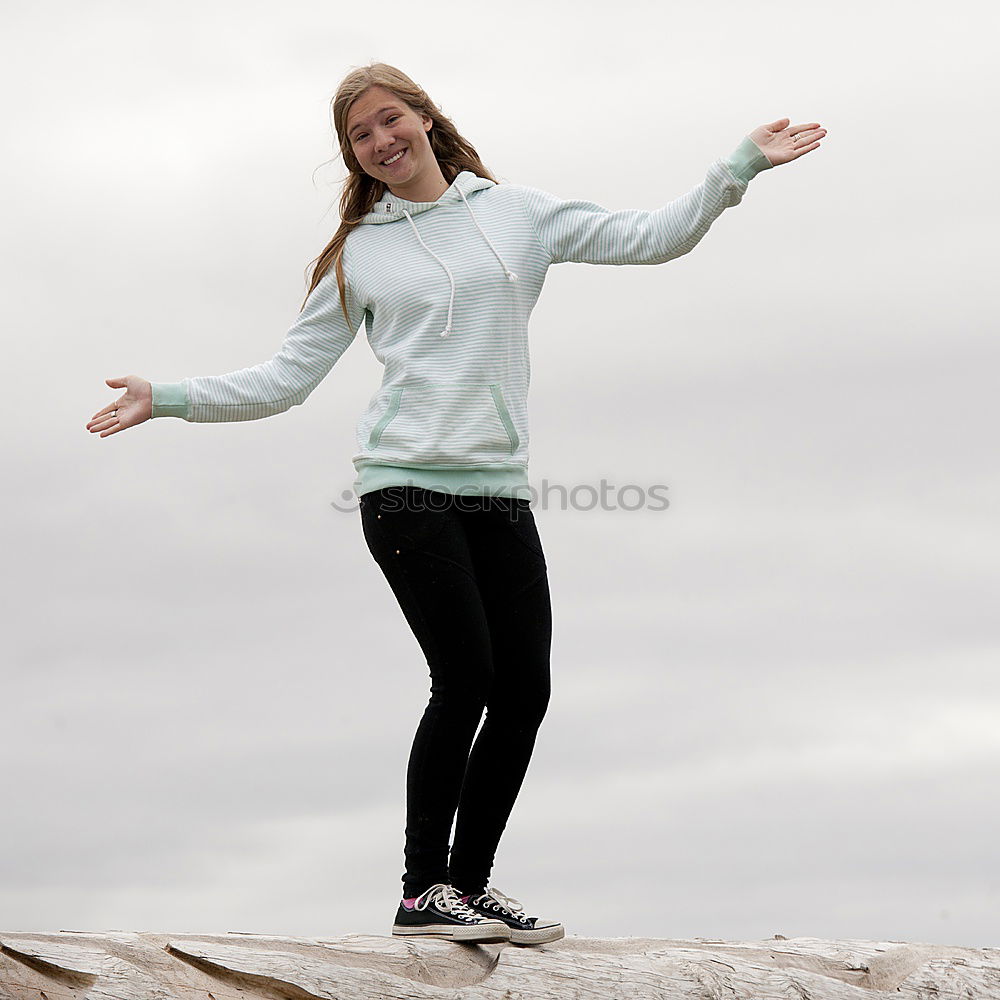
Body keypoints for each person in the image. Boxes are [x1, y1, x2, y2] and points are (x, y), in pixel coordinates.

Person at [86, 61, 826, 946]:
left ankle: (464, 890)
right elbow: (283, 380)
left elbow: (652, 236)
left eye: (389, 119)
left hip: (497, 491)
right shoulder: (361, 254)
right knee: (466, 678)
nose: (380, 141)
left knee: (525, 692)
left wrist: (736, 167)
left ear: (426, 120)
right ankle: (418, 890)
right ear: (354, 157)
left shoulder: (516, 215)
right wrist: (163, 394)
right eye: (361, 136)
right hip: (403, 487)